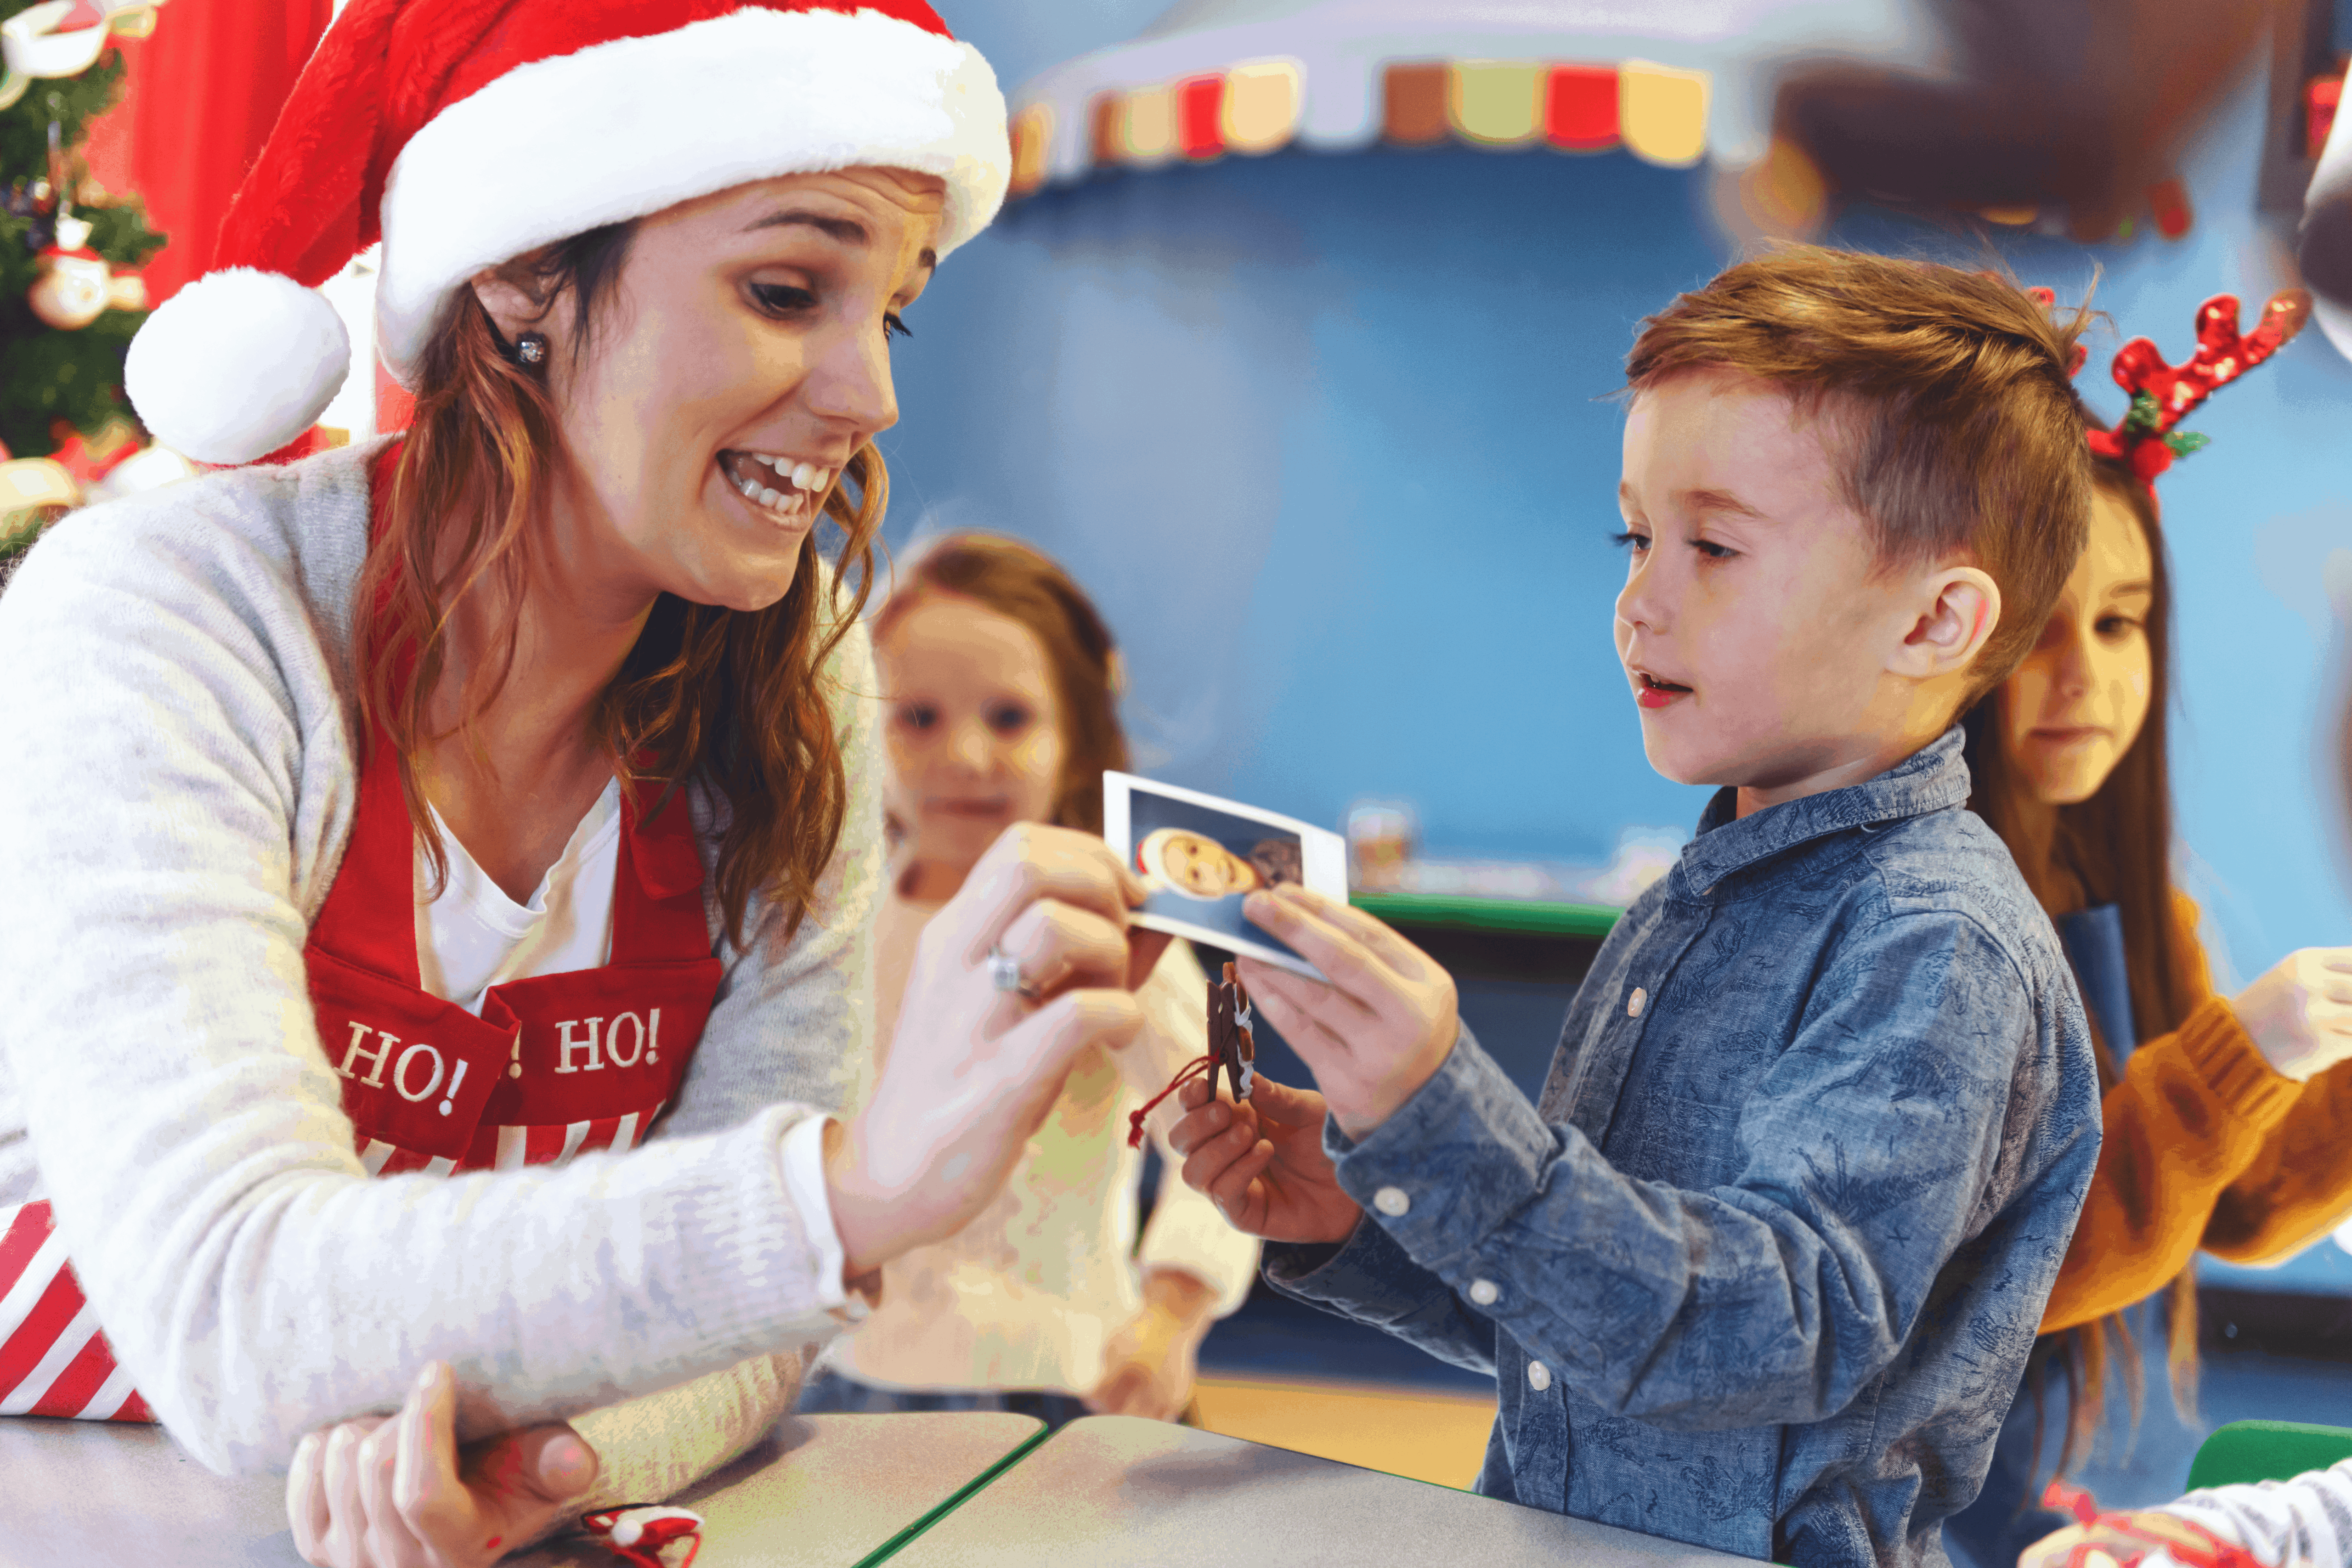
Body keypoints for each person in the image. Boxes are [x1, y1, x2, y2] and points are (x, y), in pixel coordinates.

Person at [0, 4, 1160, 1564]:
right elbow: (230, 1308)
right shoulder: (172, 613)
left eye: (889, 313)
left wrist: (554, 1459)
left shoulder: (798, 669)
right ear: (521, 273)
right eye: (782, 289)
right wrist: (849, 1194)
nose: (868, 395)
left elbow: (746, 1328)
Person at [1170, 248, 2106, 1568]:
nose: (1640, 599)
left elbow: (1765, 1337)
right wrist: (1367, 1206)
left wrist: (1453, 1127)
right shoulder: (1692, 900)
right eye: (1638, 535)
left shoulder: (1936, 944)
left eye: (1714, 546)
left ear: (1936, 619)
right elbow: (1598, 1339)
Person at [1942, 291, 2352, 1568]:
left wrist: (2302, 1068)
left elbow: (2228, 1205)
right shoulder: (1929, 923)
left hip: (2053, 1473)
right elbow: (1982, 1282)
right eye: (2036, 631)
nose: (2089, 676)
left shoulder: (2132, 897)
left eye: (2120, 623)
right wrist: (2236, 1056)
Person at [795, 532, 1258, 1428]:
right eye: (917, 717)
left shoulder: (1115, 922)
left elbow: (1229, 1138)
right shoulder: (830, 924)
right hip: (839, 1388)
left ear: (1076, 737)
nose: (964, 758)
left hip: (1065, 1391)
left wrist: (1170, 1318)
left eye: (1009, 719)